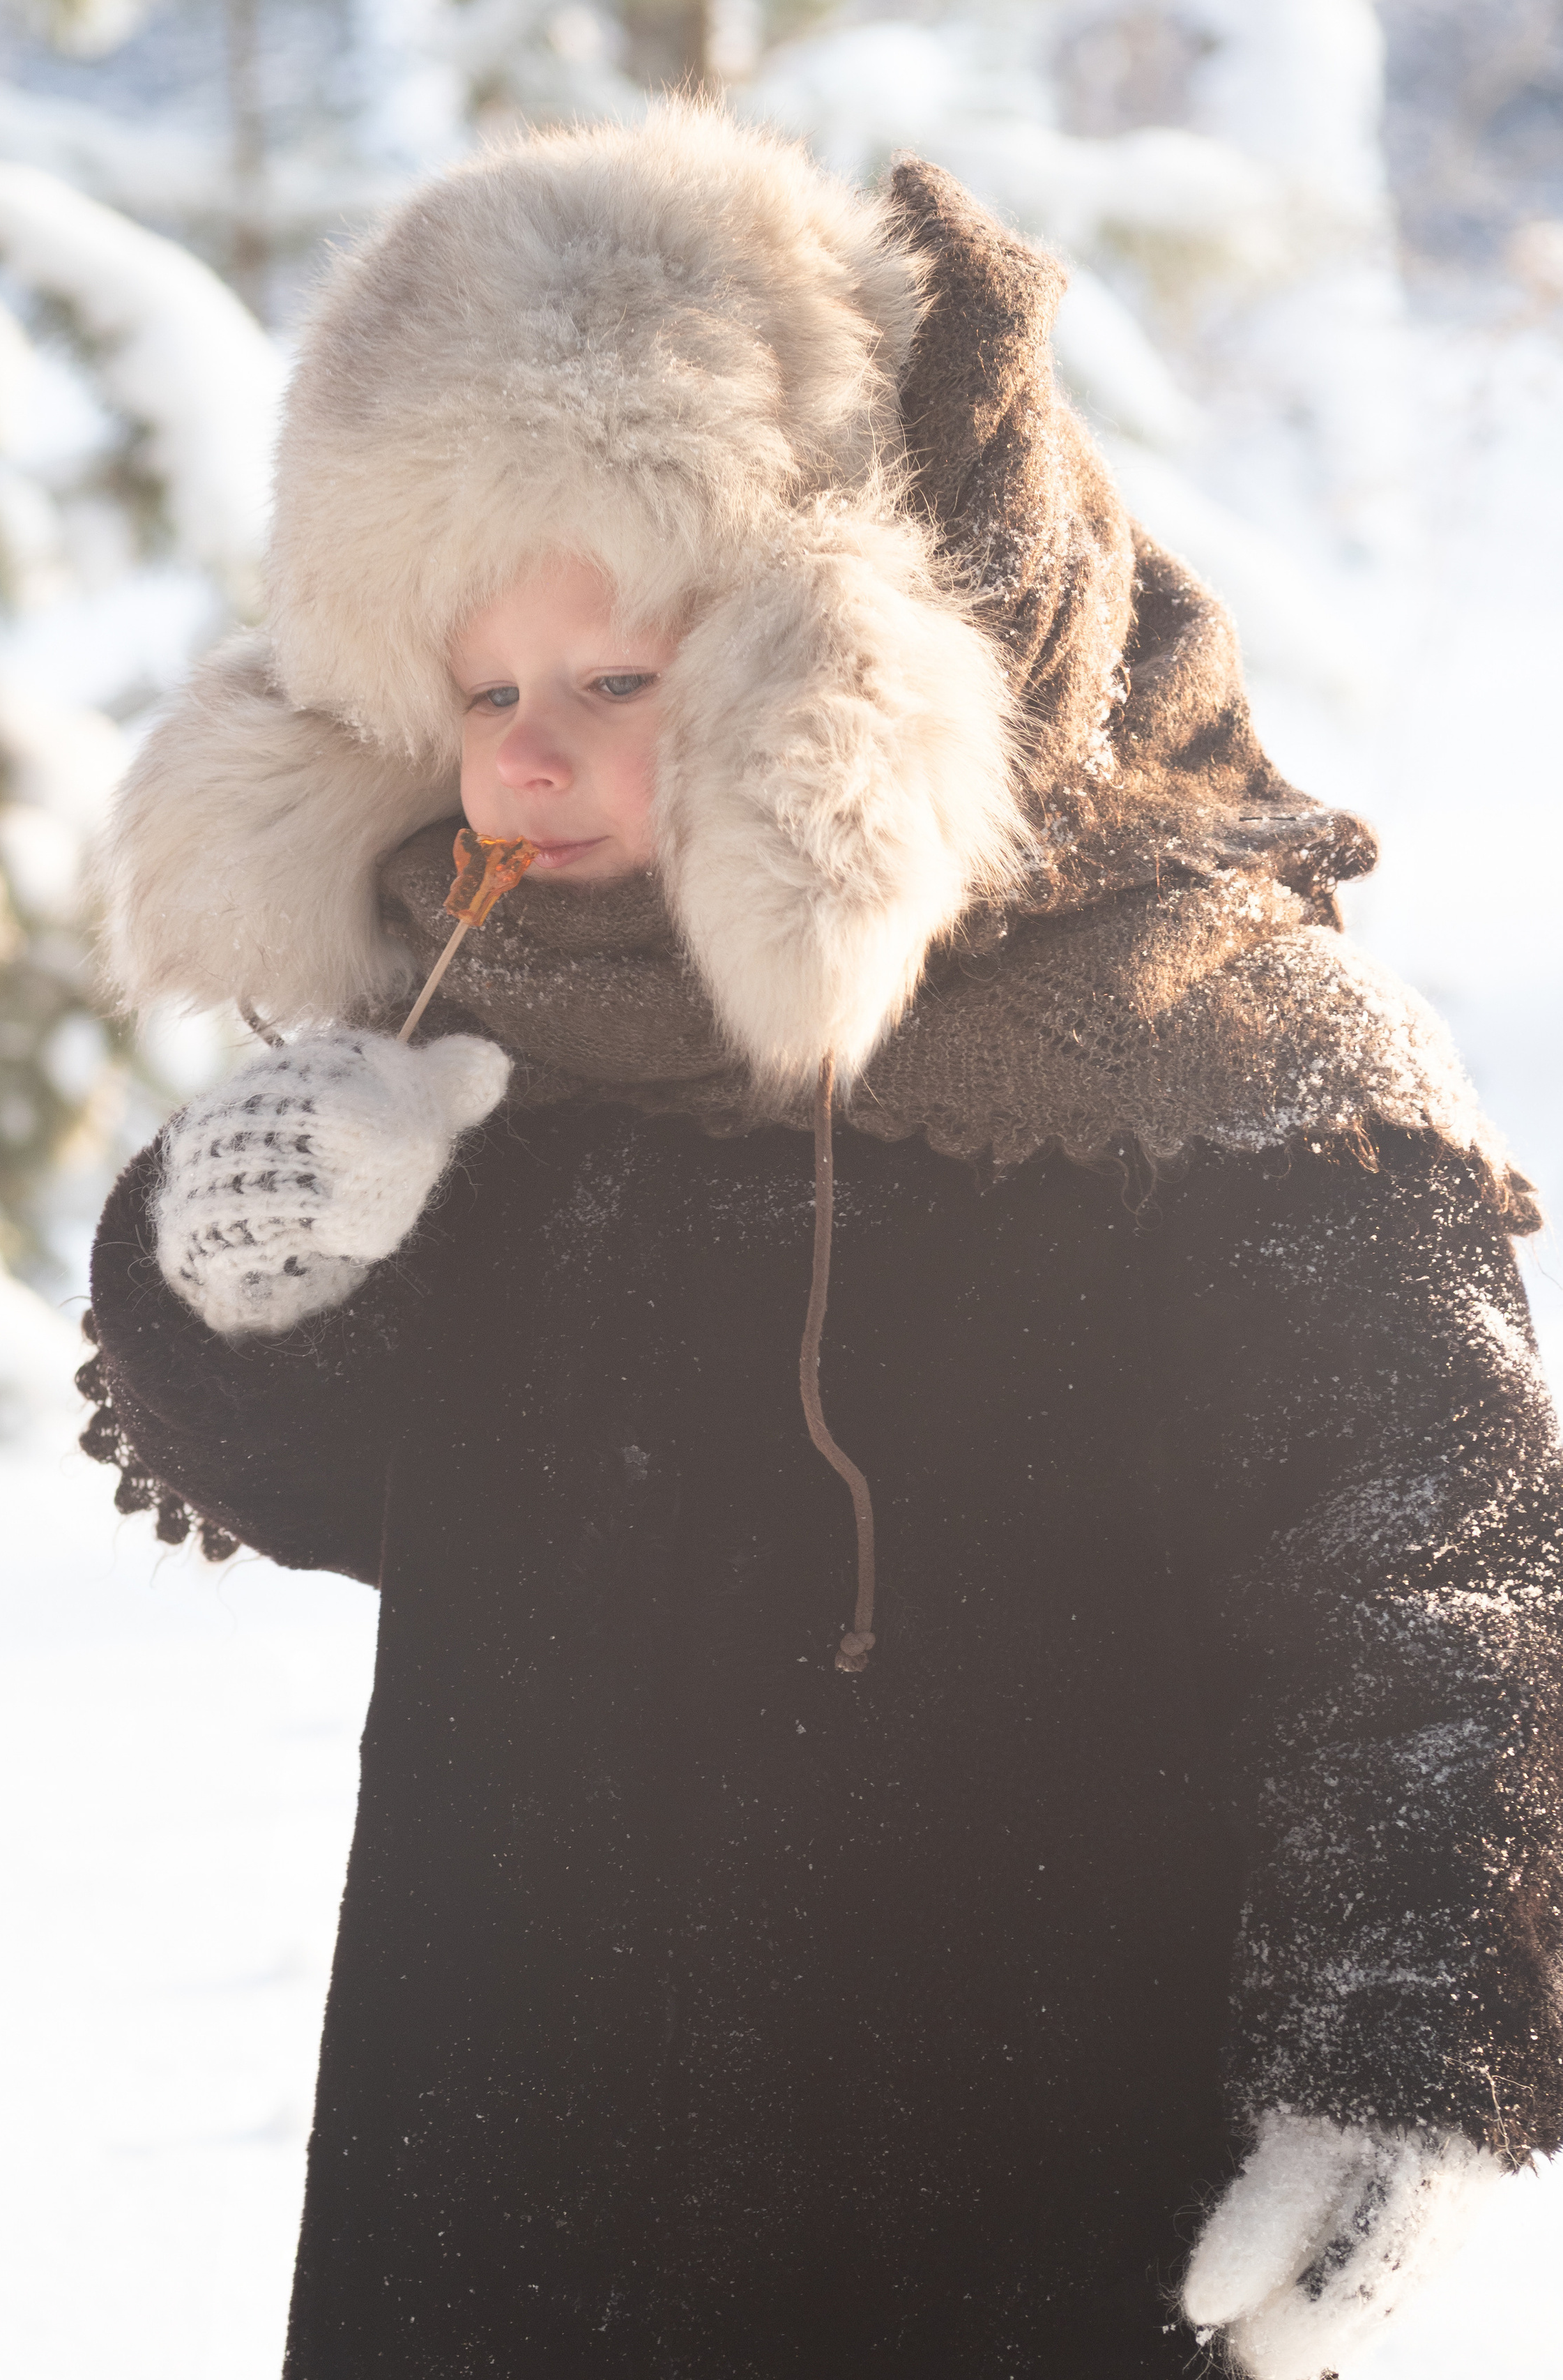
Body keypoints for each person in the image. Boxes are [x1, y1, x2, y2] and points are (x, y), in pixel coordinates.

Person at [80, 107, 1563, 2379]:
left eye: (619, 682)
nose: (532, 769)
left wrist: (1409, 2057)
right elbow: (347, 1488)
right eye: (486, 693)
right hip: (511, 2168)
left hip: (1032, 2173)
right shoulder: (493, 1032)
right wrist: (243, 1279)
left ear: (839, 651)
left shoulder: (1222, 1053)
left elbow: (1440, 1597)